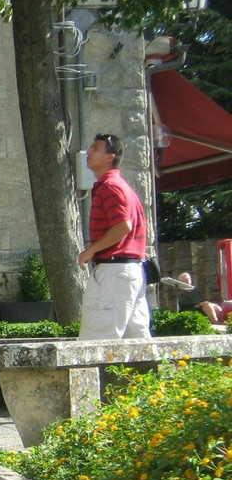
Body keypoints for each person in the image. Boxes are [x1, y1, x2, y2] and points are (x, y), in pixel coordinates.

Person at [77, 134, 151, 339]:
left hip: (114, 271)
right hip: (130, 271)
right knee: (137, 343)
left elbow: (122, 226)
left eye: (95, 148)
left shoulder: (110, 186)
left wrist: (91, 250)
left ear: (110, 156)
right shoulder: (121, 186)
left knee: (95, 341)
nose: (89, 152)